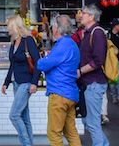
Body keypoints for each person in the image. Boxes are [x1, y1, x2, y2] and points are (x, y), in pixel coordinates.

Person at [37, 14, 82, 146]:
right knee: (71, 132)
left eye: (52, 27)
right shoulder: (72, 44)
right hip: (71, 94)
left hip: (59, 95)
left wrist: (41, 60)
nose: (51, 29)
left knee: (54, 133)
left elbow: (43, 65)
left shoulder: (62, 45)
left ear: (57, 29)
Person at [1, 14, 40, 146]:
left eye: (8, 26)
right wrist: (6, 82)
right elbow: (12, 64)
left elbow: (38, 62)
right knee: (24, 116)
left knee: (14, 115)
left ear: (14, 26)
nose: (7, 29)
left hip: (26, 83)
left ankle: (26, 143)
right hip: (16, 83)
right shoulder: (14, 42)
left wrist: (35, 82)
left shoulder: (28, 40)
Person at [77, 5, 110, 146]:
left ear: (91, 16)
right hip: (89, 84)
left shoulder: (97, 33)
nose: (80, 15)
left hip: (94, 83)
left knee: (93, 122)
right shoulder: (88, 33)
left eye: (83, 13)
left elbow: (98, 61)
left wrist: (80, 71)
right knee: (88, 121)